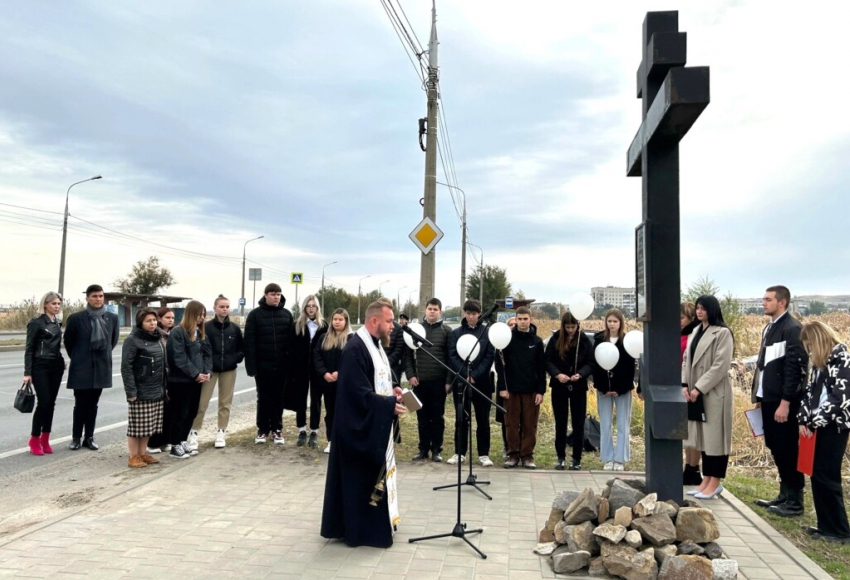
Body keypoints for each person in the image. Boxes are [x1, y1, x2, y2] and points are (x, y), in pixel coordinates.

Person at [321, 300, 407, 548]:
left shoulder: (375, 346)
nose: (392, 326)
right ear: (374, 321)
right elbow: (358, 393)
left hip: (371, 424)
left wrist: (393, 389)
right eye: (389, 321)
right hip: (356, 429)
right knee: (358, 481)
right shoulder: (355, 349)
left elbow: (375, 379)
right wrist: (388, 404)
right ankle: (361, 530)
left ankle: (375, 523)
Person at [752, 285, 808, 516]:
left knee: (787, 448)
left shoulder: (792, 328)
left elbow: (795, 369)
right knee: (775, 446)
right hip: (769, 398)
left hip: (783, 401)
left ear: (782, 302)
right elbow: (765, 366)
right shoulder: (771, 327)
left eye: (768, 299)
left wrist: (786, 402)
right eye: (763, 299)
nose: (763, 303)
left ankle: (795, 500)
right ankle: (784, 494)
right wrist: (758, 397)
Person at [798, 321, 850, 543]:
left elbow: (841, 398)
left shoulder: (842, 359)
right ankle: (824, 525)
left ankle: (839, 530)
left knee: (828, 476)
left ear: (818, 341)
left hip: (833, 426)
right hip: (816, 426)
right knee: (817, 474)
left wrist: (815, 422)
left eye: (809, 345)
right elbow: (809, 393)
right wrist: (803, 419)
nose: (808, 350)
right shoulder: (819, 363)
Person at [681, 295, 734, 499]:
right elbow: (686, 360)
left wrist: (699, 387)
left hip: (713, 393)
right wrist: (685, 384)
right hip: (695, 392)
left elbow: (720, 365)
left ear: (712, 309)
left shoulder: (722, 333)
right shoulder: (695, 330)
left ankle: (715, 481)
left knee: (716, 439)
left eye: (703, 308)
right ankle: (705, 480)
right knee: (703, 438)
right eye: (697, 308)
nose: (699, 312)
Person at [64, 284, 119, 451]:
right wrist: (80, 358)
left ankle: (89, 437)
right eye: (95, 296)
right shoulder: (75, 318)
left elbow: (113, 341)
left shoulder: (112, 318)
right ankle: (75, 438)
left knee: (93, 405)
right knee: (80, 404)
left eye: (101, 296)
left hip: (101, 368)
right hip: (81, 368)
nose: (98, 299)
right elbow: (69, 343)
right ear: (87, 298)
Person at [190, 295, 243, 450]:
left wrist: (235, 359)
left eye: (227, 306)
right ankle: (194, 433)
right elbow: (199, 348)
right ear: (214, 308)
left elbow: (241, 348)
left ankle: (221, 432)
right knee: (202, 403)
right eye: (221, 306)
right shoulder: (206, 327)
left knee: (225, 403)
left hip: (229, 370)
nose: (224, 309)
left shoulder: (234, 328)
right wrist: (204, 366)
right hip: (209, 370)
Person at [403, 297, 452, 462]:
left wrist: (448, 381)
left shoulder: (446, 331)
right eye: (430, 308)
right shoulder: (415, 330)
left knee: (437, 417)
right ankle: (423, 449)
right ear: (425, 310)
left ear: (440, 312)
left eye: (435, 309)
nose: (432, 312)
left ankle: (436, 449)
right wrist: (410, 375)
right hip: (420, 381)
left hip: (439, 381)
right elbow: (408, 355)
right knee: (422, 417)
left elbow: (450, 358)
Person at [244, 283, 294, 445]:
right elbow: (249, 343)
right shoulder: (255, 315)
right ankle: (262, 430)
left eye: (278, 294)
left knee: (278, 399)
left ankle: (277, 430)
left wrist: (290, 364)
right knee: (263, 398)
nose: (276, 297)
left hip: (282, 366)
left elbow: (290, 342)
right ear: (265, 295)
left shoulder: (287, 315)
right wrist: (251, 367)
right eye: (273, 294)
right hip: (262, 367)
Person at [447, 299, 495, 466]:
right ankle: (460, 452)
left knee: (482, 419)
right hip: (461, 382)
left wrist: (475, 375)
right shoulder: (457, 333)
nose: (471, 317)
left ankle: (483, 454)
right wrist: (465, 374)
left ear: (479, 314)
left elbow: (489, 356)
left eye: (474, 314)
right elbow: (452, 355)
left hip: (482, 382)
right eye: (468, 313)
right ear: (464, 314)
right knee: (461, 418)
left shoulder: (486, 333)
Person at [496, 307, 546, 469]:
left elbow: (541, 368)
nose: (523, 322)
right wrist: (502, 387)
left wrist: (541, 391)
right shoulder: (506, 340)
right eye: (520, 319)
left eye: (525, 319)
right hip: (511, 390)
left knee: (529, 425)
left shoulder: (537, 342)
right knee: (511, 424)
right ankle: (513, 455)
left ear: (530, 319)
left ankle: (527, 456)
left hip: (531, 390)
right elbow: (499, 365)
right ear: (515, 320)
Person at [545, 311, 594, 471]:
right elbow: (548, 360)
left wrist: (581, 374)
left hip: (578, 387)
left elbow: (590, 362)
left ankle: (577, 459)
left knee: (578, 423)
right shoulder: (556, 338)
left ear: (577, 326)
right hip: (559, 386)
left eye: (573, 327)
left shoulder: (584, 339)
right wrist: (557, 374)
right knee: (561, 422)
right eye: (568, 327)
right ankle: (561, 457)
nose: (570, 330)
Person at [165, 300, 211, 459]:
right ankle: (175, 445)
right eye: (199, 315)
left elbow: (207, 354)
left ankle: (183, 440)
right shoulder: (178, 332)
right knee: (179, 413)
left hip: (196, 381)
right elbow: (178, 358)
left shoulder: (200, 332)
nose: (202, 318)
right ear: (191, 314)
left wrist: (206, 372)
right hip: (180, 381)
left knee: (191, 412)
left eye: (204, 315)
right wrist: (195, 374)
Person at [591, 308, 636, 471]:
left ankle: (620, 459)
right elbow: (596, 365)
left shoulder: (627, 341)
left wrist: (620, 388)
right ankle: (608, 457)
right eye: (609, 321)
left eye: (615, 321)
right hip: (603, 389)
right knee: (605, 423)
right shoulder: (599, 339)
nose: (612, 324)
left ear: (620, 322)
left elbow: (629, 369)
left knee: (623, 423)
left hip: (622, 389)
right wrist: (603, 387)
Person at [121, 308, 166, 468]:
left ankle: (142, 453)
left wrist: (164, 387)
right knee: (136, 426)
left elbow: (163, 365)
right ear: (141, 322)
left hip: (156, 389)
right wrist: (131, 392)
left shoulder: (158, 338)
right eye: (148, 321)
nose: (153, 323)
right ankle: (133, 456)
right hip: (140, 390)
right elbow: (126, 368)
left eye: (154, 320)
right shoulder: (133, 340)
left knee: (148, 425)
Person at [23, 291, 65, 455]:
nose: (56, 306)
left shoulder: (57, 322)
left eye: (58, 304)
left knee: (51, 403)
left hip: (55, 366)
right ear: (45, 304)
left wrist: (61, 362)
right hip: (40, 366)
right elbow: (29, 348)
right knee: (44, 402)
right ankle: (34, 438)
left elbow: (56, 345)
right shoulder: (36, 323)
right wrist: (27, 372)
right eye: (54, 303)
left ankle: (45, 438)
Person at [288, 295, 327, 448]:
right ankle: (302, 430)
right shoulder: (296, 325)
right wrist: (292, 369)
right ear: (304, 308)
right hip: (300, 369)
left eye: (314, 306)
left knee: (316, 400)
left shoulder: (324, 326)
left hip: (317, 370)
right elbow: (291, 348)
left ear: (317, 308)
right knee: (300, 399)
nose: (311, 308)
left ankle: (314, 431)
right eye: (308, 306)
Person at [313, 308, 352, 453]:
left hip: (344, 383)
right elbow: (316, 356)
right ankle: (331, 441)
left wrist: (339, 373)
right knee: (330, 413)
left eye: (340, 319)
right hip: (327, 383)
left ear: (346, 321)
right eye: (335, 319)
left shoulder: (351, 338)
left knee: (344, 412)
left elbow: (353, 359)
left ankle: (344, 442)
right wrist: (324, 373)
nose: (337, 322)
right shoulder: (324, 337)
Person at [147, 306, 176, 454]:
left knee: (170, 411)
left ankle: (167, 440)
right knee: (158, 411)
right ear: (159, 319)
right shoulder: (156, 335)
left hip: (172, 376)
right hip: (158, 377)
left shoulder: (174, 334)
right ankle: (153, 442)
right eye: (167, 318)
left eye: (172, 318)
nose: (170, 320)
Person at [680, 301, 702, 484]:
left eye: (681, 318)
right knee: (685, 431)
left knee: (694, 432)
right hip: (680, 385)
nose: (678, 321)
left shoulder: (693, 335)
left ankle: (694, 467)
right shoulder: (680, 333)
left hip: (691, 385)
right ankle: (688, 465)